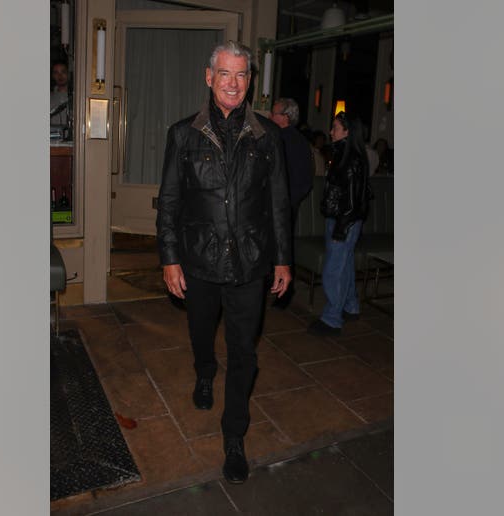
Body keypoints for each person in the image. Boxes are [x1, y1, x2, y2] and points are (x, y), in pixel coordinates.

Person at [156, 40, 292, 485]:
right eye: (225, 74)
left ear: (249, 81)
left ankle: (234, 436)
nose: (233, 83)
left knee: (244, 353)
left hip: (250, 264)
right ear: (208, 77)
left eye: (242, 75)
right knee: (200, 334)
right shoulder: (183, 135)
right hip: (198, 261)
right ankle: (203, 371)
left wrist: (283, 260)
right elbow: (171, 203)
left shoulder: (267, 136)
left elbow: (278, 204)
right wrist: (170, 259)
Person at [307, 111, 370, 337]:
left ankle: (332, 319)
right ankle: (350, 306)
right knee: (344, 265)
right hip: (343, 219)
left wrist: (341, 228)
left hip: (345, 220)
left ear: (347, 131)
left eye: (335, 127)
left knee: (333, 270)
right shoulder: (346, 153)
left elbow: (352, 200)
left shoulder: (350, 158)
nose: (330, 131)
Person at [269, 97, 313, 309]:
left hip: (283, 207)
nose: (270, 116)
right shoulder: (282, 137)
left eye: (274, 113)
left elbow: (303, 180)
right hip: (277, 206)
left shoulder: (291, 141)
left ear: (285, 118)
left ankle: (284, 293)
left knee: (282, 250)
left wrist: (286, 203)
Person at [50, 61, 71, 134]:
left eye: (63, 72)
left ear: (68, 74)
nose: (60, 75)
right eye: (56, 73)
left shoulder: (75, 97)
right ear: (52, 76)